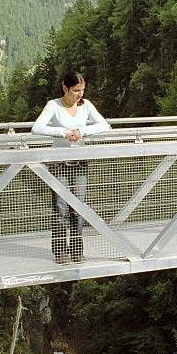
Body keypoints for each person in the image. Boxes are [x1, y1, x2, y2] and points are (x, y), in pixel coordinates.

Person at [32, 71, 110, 264]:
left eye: (82, 90)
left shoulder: (86, 106)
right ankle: (60, 252)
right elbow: (37, 128)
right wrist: (63, 132)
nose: (80, 94)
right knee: (60, 208)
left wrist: (80, 131)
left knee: (78, 208)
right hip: (59, 164)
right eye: (76, 90)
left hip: (80, 162)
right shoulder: (54, 106)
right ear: (65, 88)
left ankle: (76, 251)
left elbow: (104, 126)